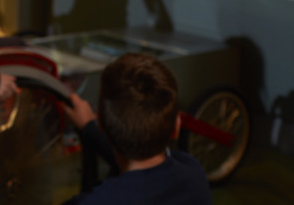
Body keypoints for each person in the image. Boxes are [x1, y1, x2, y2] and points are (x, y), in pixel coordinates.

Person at [62, 53, 212, 205]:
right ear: (176, 128)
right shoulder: (193, 174)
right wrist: (89, 127)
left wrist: (91, 127)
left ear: (101, 123)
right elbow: (141, 165)